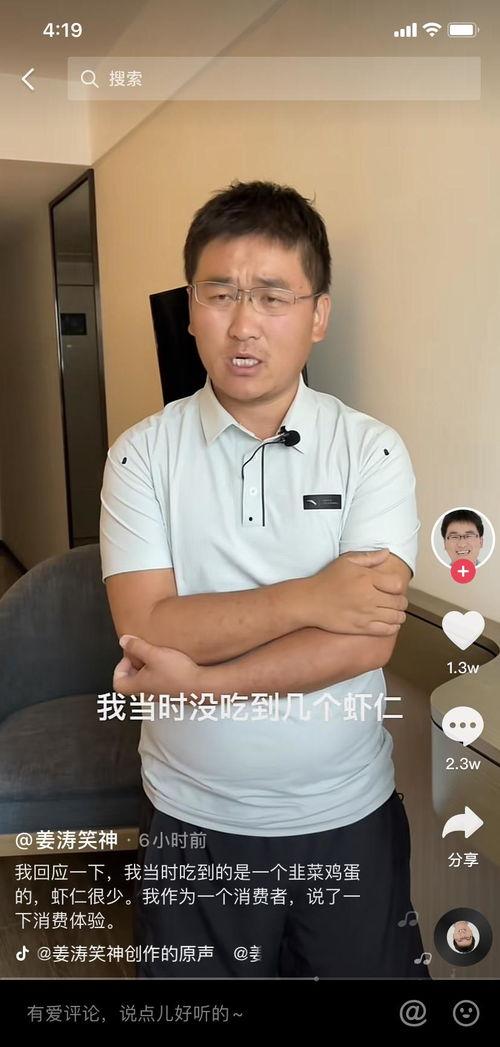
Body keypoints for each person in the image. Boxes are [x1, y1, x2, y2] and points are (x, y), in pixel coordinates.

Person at [100, 179, 427, 978]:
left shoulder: (372, 450)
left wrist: (202, 683)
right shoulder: (141, 455)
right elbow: (148, 624)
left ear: (319, 314)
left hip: (346, 815)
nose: (243, 324)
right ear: (190, 309)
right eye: (220, 294)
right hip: (192, 820)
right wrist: (314, 598)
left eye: (274, 297)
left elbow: (365, 643)